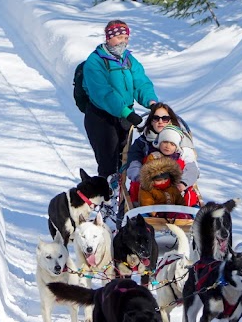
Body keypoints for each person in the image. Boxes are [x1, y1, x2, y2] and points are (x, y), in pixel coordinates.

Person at [81, 20, 159, 184]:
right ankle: (108, 200)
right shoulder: (95, 62)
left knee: (125, 162)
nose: (123, 41)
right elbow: (103, 93)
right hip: (101, 118)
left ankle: (122, 199)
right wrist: (126, 113)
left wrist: (152, 103)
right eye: (119, 37)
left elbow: (141, 83)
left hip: (125, 117)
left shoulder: (128, 59)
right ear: (109, 38)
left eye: (126, 38)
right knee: (108, 164)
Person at [124, 102, 196, 186]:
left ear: (170, 121)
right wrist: (143, 179)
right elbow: (134, 164)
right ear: (151, 121)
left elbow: (192, 168)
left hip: (177, 185)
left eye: (165, 118)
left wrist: (182, 183)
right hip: (147, 184)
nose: (160, 121)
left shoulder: (182, 141)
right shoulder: (142, 142)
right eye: (156, 118)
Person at [134, 129, 200, 207]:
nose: (168, 146)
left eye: (172, 144)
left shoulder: (181, 161)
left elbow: (192, 172)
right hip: (154, 194)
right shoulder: (153, 157)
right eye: (165, 142)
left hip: (175, 190)